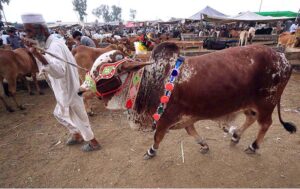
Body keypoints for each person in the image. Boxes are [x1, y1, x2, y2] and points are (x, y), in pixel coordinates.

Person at [21, 13, 100, 152]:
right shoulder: (49, 44)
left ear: (41, 30)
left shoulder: (55, 46)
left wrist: (37, 54)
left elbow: (59, 71)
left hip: (69, 89)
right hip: (63, 90)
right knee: (59, 113)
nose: (26, 35)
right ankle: (76, 135)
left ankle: (93, 143)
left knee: (79, 117)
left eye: (29, 31)